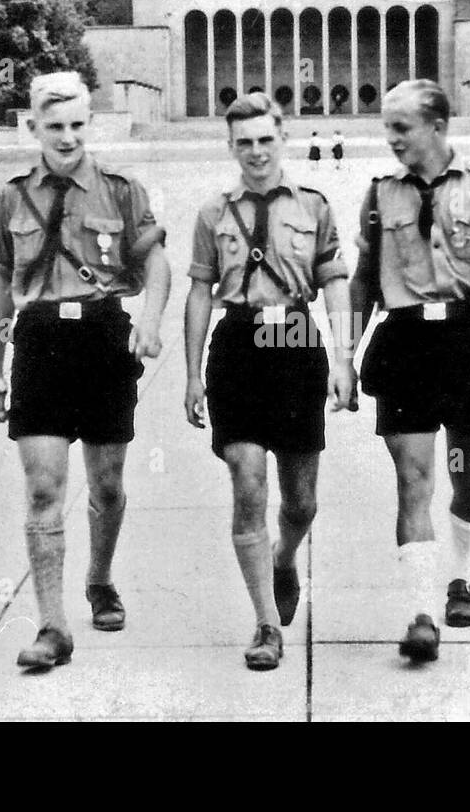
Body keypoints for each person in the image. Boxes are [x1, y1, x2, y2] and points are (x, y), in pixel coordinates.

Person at [344, 79, 470, 663]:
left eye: (401, 127)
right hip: (404, 344)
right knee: (413, 479)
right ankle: (421, 612)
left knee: (467, 479)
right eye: (388, 128)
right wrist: (343, 357)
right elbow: (363, 282)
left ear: (436, 126)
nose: (392, 139)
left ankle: (461, 575)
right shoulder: (381, 194)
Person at [0, 71, 170, 669]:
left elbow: (157, 261)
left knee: (107, 484)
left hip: (103, 338)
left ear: (89, 124)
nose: (66, 138)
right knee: (43, 491)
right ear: (33, 127)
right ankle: (52, 626)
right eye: (53, 126)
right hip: (39, 340)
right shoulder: (14, 196)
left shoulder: (120, 190)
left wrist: (150, 320)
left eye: (76, 125)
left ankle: (99, 578)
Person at [184, 92, 354, 671]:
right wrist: (190, 375)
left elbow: (335, 283)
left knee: (301, 501)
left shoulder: (313, 205)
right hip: (237, 344)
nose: (255, 152)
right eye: (244, 142)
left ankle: (283, 560)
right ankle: (263, 624)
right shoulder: (212, 212)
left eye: (265, 139)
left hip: (295, 342)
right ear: (230, 146)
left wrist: (343, 355)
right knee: (249, 485)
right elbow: (200, 291)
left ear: (282, 137)